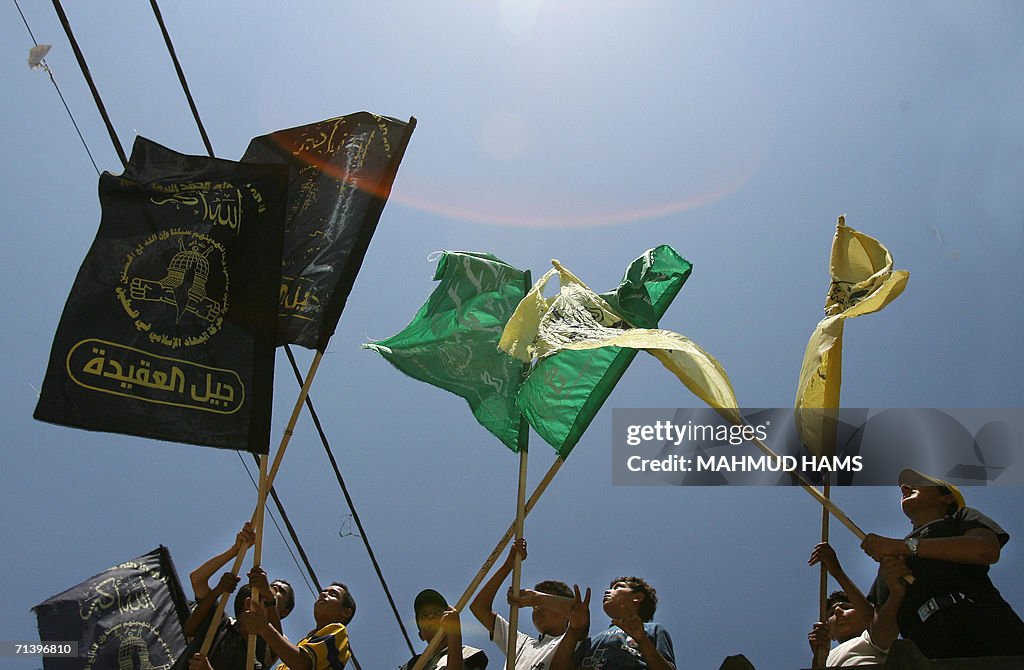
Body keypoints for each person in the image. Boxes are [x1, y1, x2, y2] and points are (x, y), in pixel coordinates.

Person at [860, 468, 1024, 658]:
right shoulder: (890, 561)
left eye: (919, 482)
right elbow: (881, 639)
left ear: (946, 498)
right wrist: (896, 594)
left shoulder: (962, 517)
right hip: (925, 646)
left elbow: (985, 549)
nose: (904, 487)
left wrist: (903, 547)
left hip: (984, 621)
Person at [180, 522, 295, 670]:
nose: (271, 589)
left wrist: (268, 597)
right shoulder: (219, 621)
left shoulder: (268, 641)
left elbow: (278, 640)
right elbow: (197, 579)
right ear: (247, 603)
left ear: (283, 612)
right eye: (271, 586)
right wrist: (236, 550)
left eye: (280, 591)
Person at [469, 539, 572, 670]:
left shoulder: (575, 641)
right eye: (534, 605)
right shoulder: (519, 642)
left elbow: (577, 611)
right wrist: (509, 564)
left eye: (543, 601)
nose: (536, 607)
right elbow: (479, 608)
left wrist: (535, 598)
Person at [806, 543, 906, 667]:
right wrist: (818, 657)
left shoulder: (870, 638)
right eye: (831, 614)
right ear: (829, 633)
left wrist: (837, 571)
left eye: (847, 607)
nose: (838, 610)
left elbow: (874, 623)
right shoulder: (826, 657)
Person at [549, 577, 675, 670]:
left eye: (617, 587)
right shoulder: (590, 641)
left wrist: (642, 640)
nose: (607, 591)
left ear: (637, 597)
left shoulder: (652, 630)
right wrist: (573, 629)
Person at [235, 582, 356, 670]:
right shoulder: (304, 644)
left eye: (333, 594)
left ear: (346, 612)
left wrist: (264, 627)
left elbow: (303, 664)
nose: (323, 594)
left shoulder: (338, 631)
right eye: (323, 592)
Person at [400, 589, 487, 670]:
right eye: (424, 616)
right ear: (421, 635)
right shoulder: (411, 665)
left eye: (437, 612)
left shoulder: (469, 654)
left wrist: (454, 635)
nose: (431, 616)